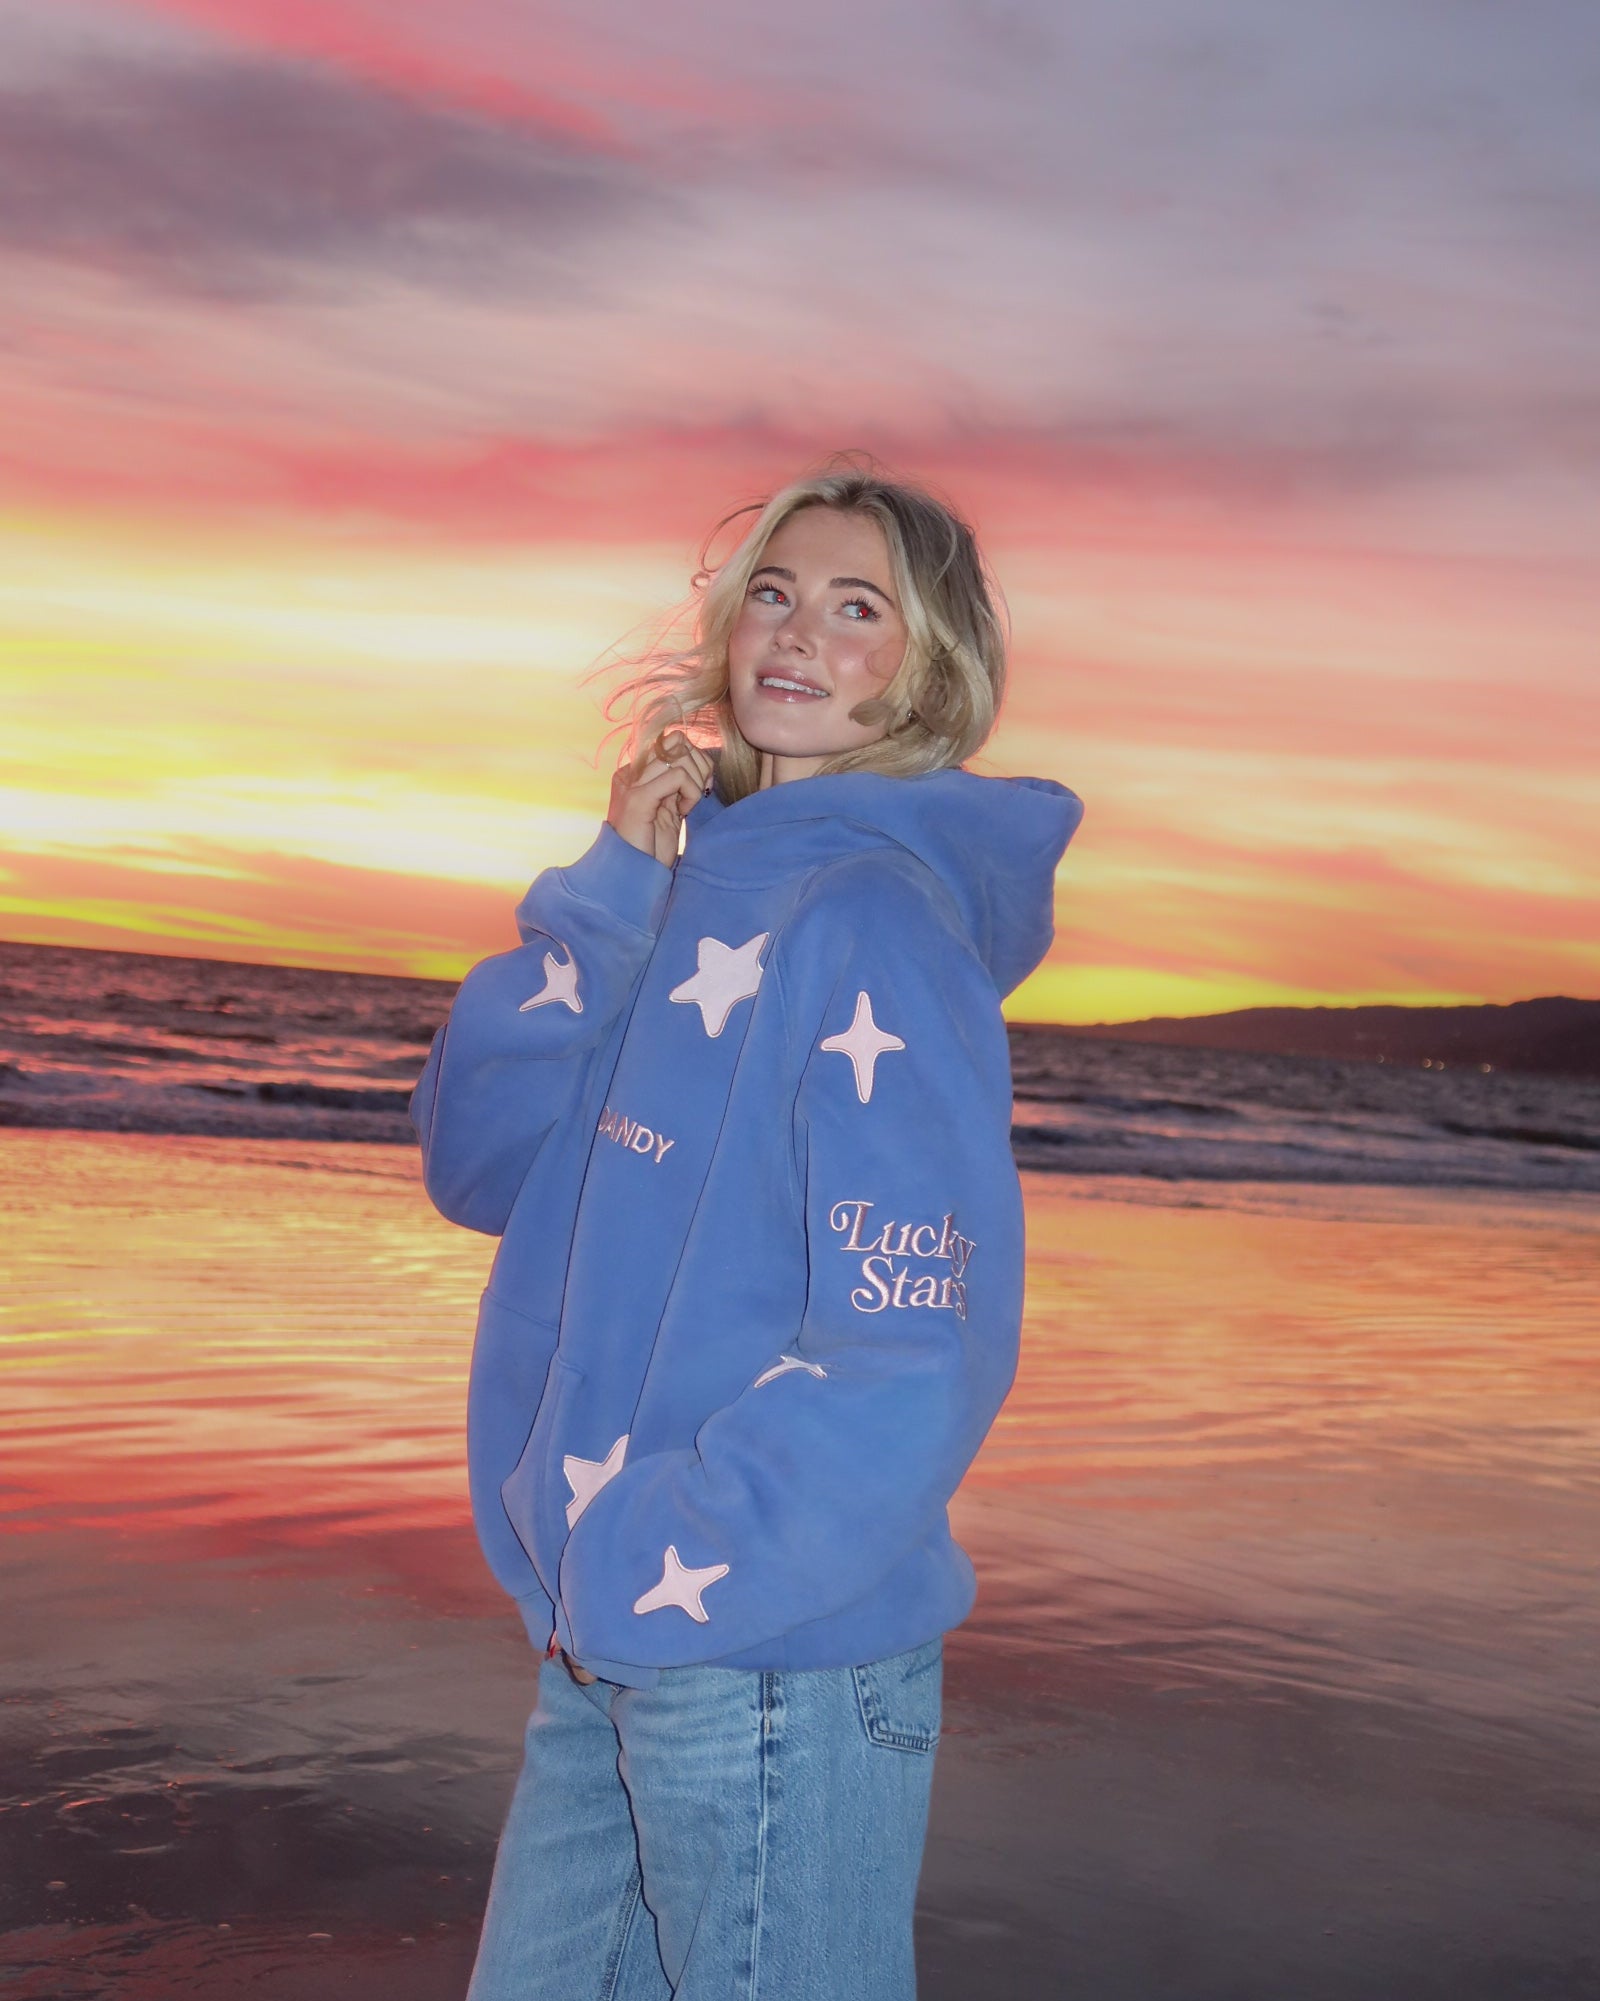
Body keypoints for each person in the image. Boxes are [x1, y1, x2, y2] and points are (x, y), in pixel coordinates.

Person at [409, 455, 1085, 1999]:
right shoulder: (672, 898)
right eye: (774, 592)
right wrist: (603, 907)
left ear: (932, 671)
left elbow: (919, 1340)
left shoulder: (874, 920)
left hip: (772, 1654)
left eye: (858, 608)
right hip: (605, 1640)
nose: (796, 630)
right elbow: (479, 1164)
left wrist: (679, 1549)